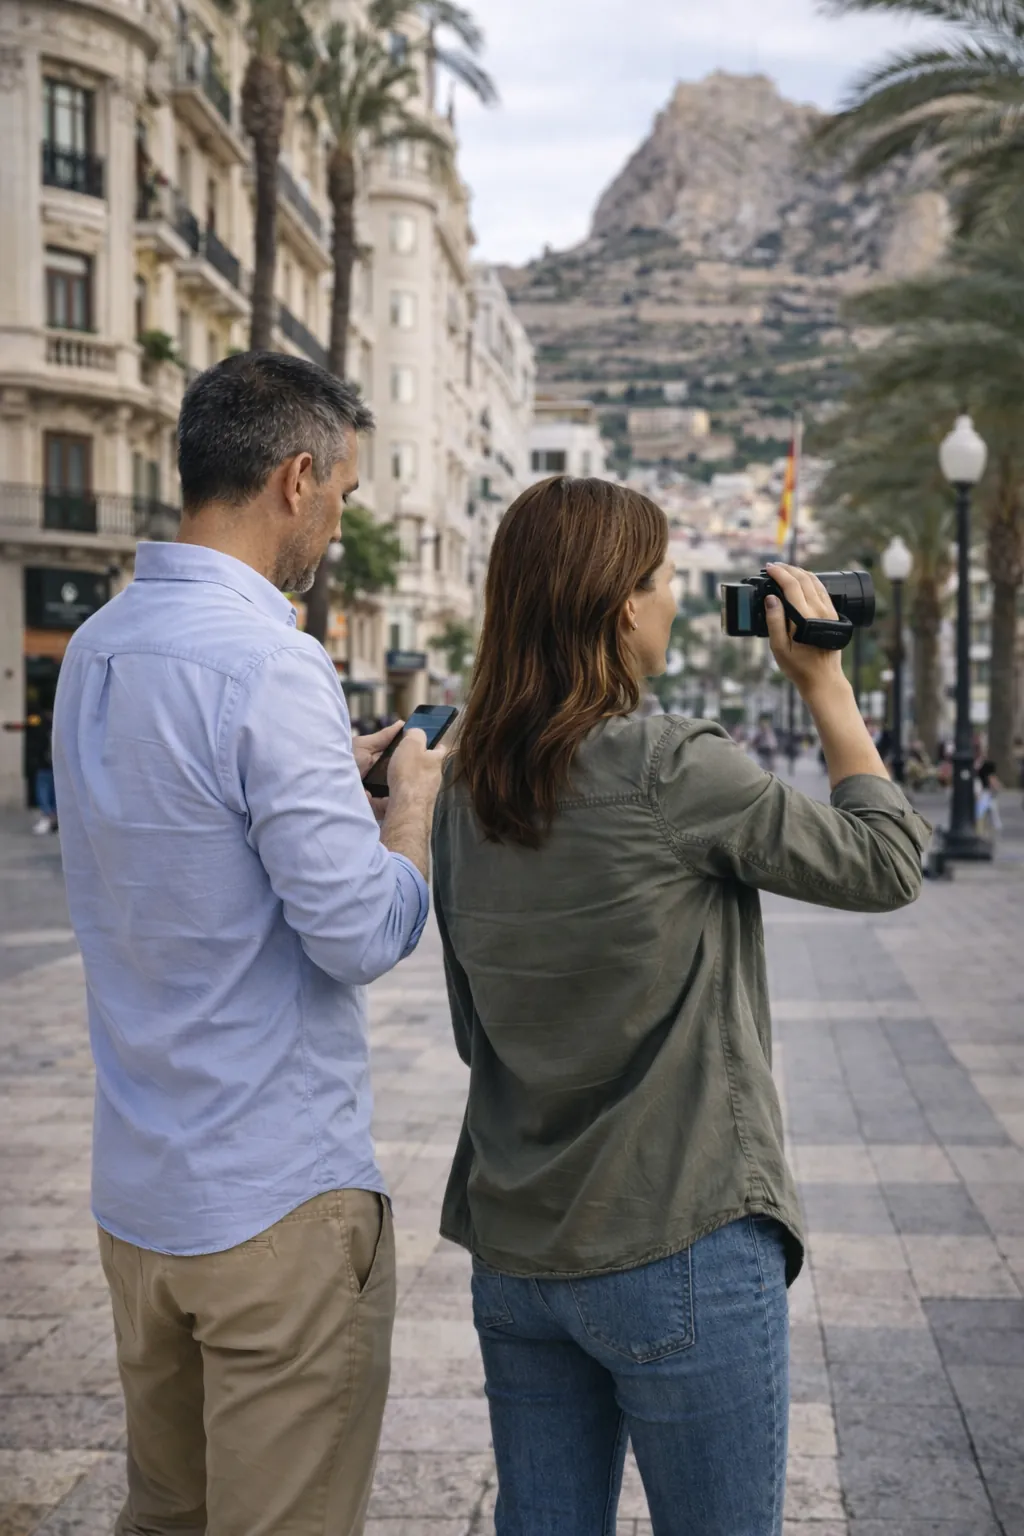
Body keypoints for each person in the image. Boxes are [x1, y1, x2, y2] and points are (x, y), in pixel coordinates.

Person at [431, 477, 929, 1536]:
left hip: (517, 1249)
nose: (671, 603)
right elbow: (885, 862)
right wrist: (824, 686)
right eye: (662, 580)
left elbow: (476, 1027)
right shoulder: (669, 763)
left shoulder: (461, 779)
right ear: (622, 606)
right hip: (677, 1239)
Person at [53, 353, 445, 1536]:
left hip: (143, 1196)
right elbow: (359, 931)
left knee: (166, 1515)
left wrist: (333, 774)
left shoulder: (96, 650)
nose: (341, 516)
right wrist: (411, 807)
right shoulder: (273, 662)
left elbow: (181, 850)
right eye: (346, 492)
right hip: (274, 1202)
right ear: (296, 478)